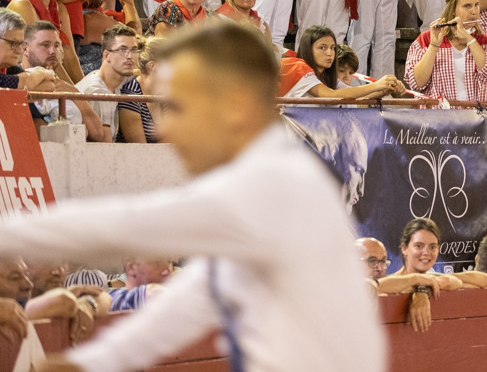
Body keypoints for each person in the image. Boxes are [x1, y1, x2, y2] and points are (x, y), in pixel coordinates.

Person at [0, 20, 388, 368]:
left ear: (235, 107)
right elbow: (192, 298)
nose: (167, 130)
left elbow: (118, 225)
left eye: (181, 108)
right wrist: (93, 363)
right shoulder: (275, 178)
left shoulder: (269, 186)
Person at [402, 0, 487, 101]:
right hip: (439, 116)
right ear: (452, 9)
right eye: (467, 6)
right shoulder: (426, 39)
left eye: (476, 5)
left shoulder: (486, 41)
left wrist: (470, 40)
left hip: (476, 116)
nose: (474, 11)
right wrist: (433, 46)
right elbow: (417, 83)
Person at [281, 24, 402, 98]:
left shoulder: (326, 76)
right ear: (308, 49)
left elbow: (353, 96)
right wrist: (376, 85)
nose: (329, 53)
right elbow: (331, 96)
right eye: (322, 47)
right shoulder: (298, 67)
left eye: (332, 48)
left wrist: (385, 89)